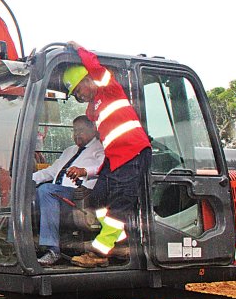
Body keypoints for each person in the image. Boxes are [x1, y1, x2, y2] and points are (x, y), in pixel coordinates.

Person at [64, 41, 152, 268]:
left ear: (87, 80)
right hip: (115, 158)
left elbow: (95, 68)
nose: (79, 97)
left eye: (78, 91)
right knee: (97, 197)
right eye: (74, 95)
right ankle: (120, 245)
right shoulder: (95, 107)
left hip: (132, 152)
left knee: (120, 205)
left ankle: (100, 252)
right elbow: (92, 118)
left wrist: (79, 49)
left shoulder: (109, 88)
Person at [34, 116, 105, 266]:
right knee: (23, 194)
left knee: (46, 190)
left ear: (93, 129)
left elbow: (102, 169)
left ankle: (53, 250)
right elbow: (51, 171)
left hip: (77, 196)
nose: (76, 134)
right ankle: (17, 246)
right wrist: (25, 180)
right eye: (74, 131)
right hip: (56, 192)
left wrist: (84, 171)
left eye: (81, 130)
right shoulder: (69, 151)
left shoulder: (100, 149)